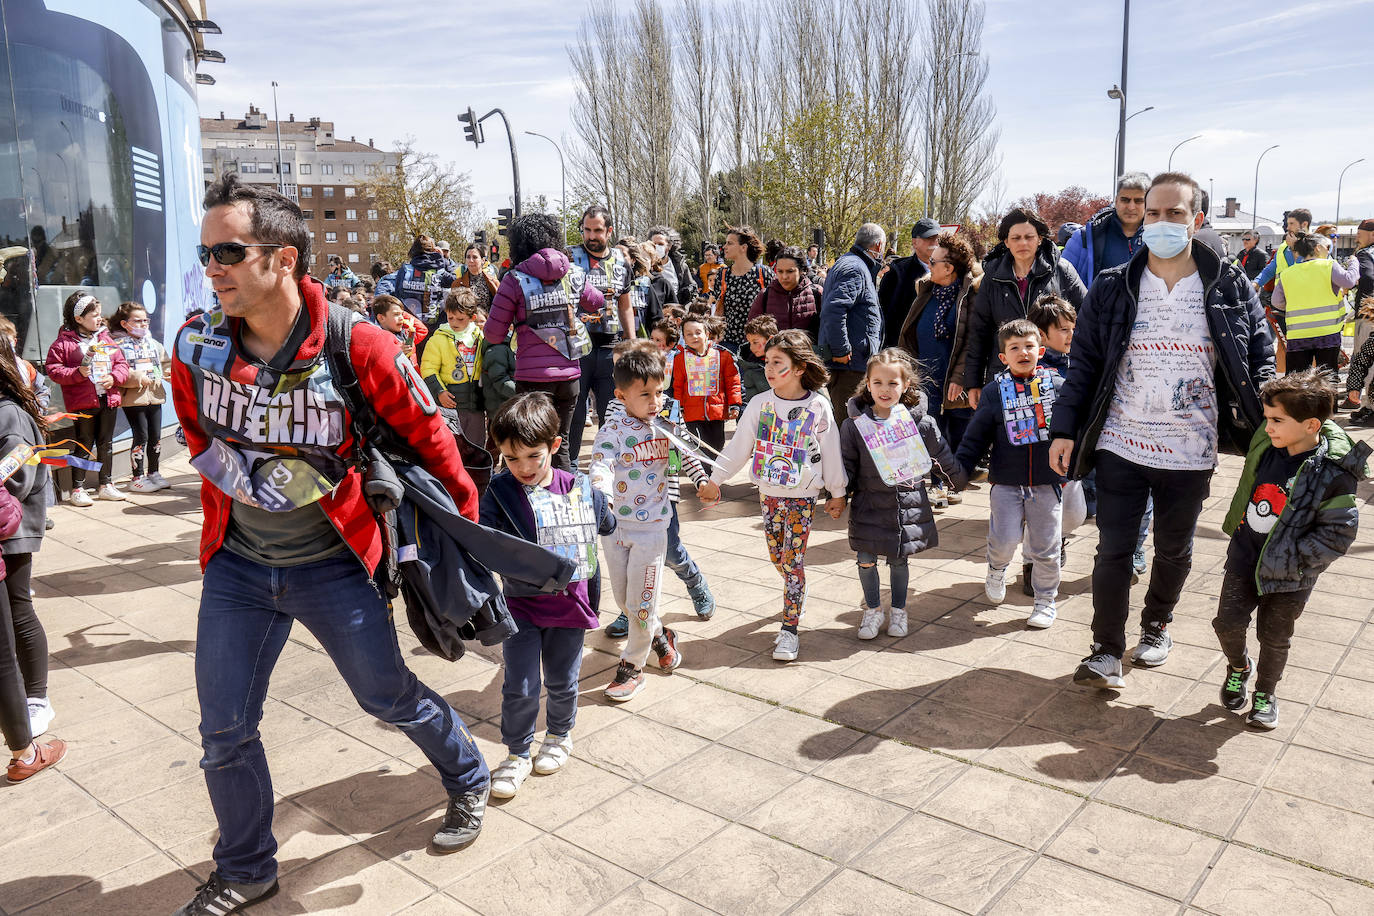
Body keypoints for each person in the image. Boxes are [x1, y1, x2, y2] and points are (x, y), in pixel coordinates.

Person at [170, 173, 488, 916]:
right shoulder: (197, 342)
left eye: (228, 250)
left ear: (283, 259)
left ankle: (467, 774)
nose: (212, 265)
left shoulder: (359, 343)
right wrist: (249, 481)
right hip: (238, 569)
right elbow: (194, 431)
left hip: (335, 567)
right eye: (204, 250)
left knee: (388, 697)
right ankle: (246, 867)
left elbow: (434, 445)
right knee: (223, 728)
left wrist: (462, 544)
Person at [1049, 171, 1275, 690]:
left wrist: (1271, 421)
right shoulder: (1111, 286)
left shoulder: (1229, 285)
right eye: (1153, 212)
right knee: (1113, 549)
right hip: (1120, 443)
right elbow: (1083, 365)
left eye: (1175, 214)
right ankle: (1105, 649)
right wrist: (1065, 430)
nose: (1161, 221)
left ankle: (1156, 626)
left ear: (1196, 221)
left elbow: (1259, 355)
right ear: (1140, 216)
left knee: (1175, 550)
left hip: (1191, 449)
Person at [1213, 369, 1368, 729]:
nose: (1267, 427)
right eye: (1267, 418)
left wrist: (1296, 561)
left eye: (1277, 420)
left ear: (1311, 424)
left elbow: (1338, 534)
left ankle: (1265, 693)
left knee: (1274, 637)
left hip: (1290, 574)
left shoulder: (1333, 473)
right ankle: (1239, 666)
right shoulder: (1268, 446)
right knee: (1227, 623)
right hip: (1244, 558)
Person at [479, 393, 616, 796]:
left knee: (562, 680)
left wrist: (601, 496)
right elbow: (485, 537)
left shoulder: (578, 487)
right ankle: (517, 752)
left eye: (533, 457)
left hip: (570, 605)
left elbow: (604, 526)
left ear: (555, 446)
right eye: (511, 458)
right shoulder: (500, 490)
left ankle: (559, 735)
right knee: (519, 685)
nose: (523, 467)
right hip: (520, 605)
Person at [699, 330, 847, 662]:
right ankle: (797, 587)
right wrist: (716, 479)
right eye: (766, 361)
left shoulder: (819, 406)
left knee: (792, 562)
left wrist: (837, 492)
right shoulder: (759, 404)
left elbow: (831, 451)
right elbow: (738, 448)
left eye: (776, 362)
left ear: (798, 367)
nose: (768, 368)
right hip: (768, 495)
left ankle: (789, 630)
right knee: (778, 558)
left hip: (803, 497)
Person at [588, 344, 697, 701]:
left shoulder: (666, 424)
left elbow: (687, 455)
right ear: (620, 395)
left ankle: (632, 668)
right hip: (615, 528)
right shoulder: (613, 428)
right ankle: (661, 636)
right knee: (625, 600)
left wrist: (704, 481)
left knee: (642, 600)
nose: (655, 401)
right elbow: (600, 462)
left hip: (652, 530)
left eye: (660, 392)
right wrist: (599, 493)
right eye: (645, 394)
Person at [841, 349, 966, 640]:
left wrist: (958, 481)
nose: (885, 390)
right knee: (865, 558)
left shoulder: (920, 424)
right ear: (868, 384)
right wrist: (836, 494)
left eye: (893, 383)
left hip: (904, 506)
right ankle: (872, 610)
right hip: (868, 505)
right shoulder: (854, 426)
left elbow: (942, 458)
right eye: (878, 383)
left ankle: (898, 610)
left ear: (906, 385)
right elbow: (845, 464)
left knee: (898, 560)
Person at [955, 319, 1066, 629]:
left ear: (1041, 351)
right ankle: (997, 567)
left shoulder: (1058, 387)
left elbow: (1074, 431)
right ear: (1003, 357)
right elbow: (975, 437)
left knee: (1046, 546)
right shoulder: (994, 392)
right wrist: (960, 470)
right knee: (1004, 539)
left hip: (1047, 483)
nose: (1023, 352)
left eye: (1029, 346)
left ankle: (1045, 600)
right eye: (1014, 348)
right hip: (1006, 480)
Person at [483, 212, 605, 472]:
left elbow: (493, 334)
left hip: (532, 380)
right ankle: (567, 501)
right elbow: (597, 301)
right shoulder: (572, 273)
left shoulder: (514, 280)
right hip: (570, 378)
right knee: (559, 446)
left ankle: (534, 504)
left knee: (532, 446)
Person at [0, 335, 60, 782]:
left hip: (12, 527)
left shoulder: (9, 412)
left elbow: (18, 468)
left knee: (20, 609)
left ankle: (36, 698)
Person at [963, 209, 1086, 404]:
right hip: (1004, 376)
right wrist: (973, 383)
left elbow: (1087, 318)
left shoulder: (1062, 270)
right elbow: (979, 332)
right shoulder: (992, 277)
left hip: (1054, 376)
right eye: (1016, 238)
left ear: (1040, 239)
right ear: (1006, 242)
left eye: (1029, 237)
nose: (1023, 243)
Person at [898, 231, 981, 451]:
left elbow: (972, 342)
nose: (929, 265)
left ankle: (953, 484)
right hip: (925, 386)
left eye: (933, 262)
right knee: (927, 443)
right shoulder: (926, 291)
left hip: (953, 388)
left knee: (954, 445)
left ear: (949, 269)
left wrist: (959, 377)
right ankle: (936, 483)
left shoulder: (970, 297)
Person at [45, 291, 130, 505]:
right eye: (94, 315)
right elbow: (54, 370)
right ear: (79, 319)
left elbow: (122, 364)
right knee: (83, 443)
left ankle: (106, 484)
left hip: (107, 399)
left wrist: (114, 377)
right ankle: (77, 488)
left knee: (105, 443)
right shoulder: (63, 343)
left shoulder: (106, 338)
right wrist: (76, 374)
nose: (99, 319)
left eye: (100, 314)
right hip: (83, 403)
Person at [569, 206, 639, 464]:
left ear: (609, 231)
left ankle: (606, 467)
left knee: (611, 414)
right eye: (586, 230)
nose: (591, 236)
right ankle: (571, 470)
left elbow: (625, 305)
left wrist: (631, 344)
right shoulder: (570, 257)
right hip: (577, 347)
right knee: (575, 414)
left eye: (597, 230)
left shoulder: (622, 261)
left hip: (610, 346)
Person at [818, 223, 886, 419]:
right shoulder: (855, 268)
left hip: (852, 362)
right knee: (850, 425)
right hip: (848, 364)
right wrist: (841, 349)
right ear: (879, 246)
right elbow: (834, 309)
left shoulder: (852, 263)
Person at [1272, 232, 1359, 374]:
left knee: (1297, 381)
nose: (1329, 250)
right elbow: (1349, 281)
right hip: (1328, 334)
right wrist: (1354, 262)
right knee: (1326, 379)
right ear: (1318, 248)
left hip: (1297, 335)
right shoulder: (1329, 266)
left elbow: (1277, 302)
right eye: (1328, 247)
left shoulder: (1287, 273)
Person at [110, 301, 172, 493]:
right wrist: (137, 378)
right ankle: (137, 476)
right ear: (124, 323)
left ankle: (154, 472)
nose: (143, 324)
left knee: (156, 436)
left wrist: (169, 374)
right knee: (141, 435)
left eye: (145, 320)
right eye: (137, 321)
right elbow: (117, 371)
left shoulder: (153, 343)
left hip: (155, 395)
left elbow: (165, 362)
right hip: (133, 398)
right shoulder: (117, 345)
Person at [421, 287, 487, 449]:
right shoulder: (438, 340)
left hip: (476, 404)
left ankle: (476, 474)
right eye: (451, 318)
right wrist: (439, 392)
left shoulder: (481, 337)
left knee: (476, 447)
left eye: (460, 319)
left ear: (472, 318)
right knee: (451, 446)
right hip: (450, 403)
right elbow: (428, 369)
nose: (454, 323)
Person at [1061, 171, 1149, 284]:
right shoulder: (1084, 238)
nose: (1131, 207)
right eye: (1125, 200)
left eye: (1138, 201)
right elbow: (1062, 282)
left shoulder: (1159, 239)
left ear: (1148, 203)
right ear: (1116, 201)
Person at [672, 314, 741, 453]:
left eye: (698, 332)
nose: (694, 337)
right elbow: (678, 385)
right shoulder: (680, 359)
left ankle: (713, 473)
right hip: (692, 414)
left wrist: (735, 404)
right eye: (689, 334)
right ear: (683, 337)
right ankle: (706, 474)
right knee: (700, 448)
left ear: (707, 334)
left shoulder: (723, 355)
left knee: (717, 446)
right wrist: (677, 409)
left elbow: (732, 381)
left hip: (717, 412)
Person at [878, 217, 942, 347]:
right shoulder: (897, 273)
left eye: (937, 238)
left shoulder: (951, 271)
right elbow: (885, 315)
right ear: (914, 243)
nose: (934, 242)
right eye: (929, 237)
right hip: (905, 349)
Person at [709, 226, 774, 352]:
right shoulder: (722, 274)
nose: (724, 247)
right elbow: (718, 309)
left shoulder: (763, 273)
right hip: (728, 343)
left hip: (758, 345)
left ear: (743, 247)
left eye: (730, 243)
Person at [375, 235, 458, 326]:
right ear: (433, 251)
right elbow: (456, 282)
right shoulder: (440, 272)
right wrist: (442, 259)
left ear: (413, 251)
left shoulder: (405, 271)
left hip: (410, 327)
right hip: (435, 328)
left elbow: (383, 286)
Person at [748, 245, 819, 334]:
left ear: (801, 270)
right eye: (780, 271)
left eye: (790, 271)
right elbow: (752, 333)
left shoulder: (816, 293)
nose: (784, 277)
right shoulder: (765, 295)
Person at [1344, 219, 1374, 420]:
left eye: (1360, 234)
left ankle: (1370, 407)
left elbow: (1369, 277)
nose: (1356, 237)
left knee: (1368, 362)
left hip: (1369, 313)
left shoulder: (1364, 254)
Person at [1254, 207, 1313, 295]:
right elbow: (1271, 269)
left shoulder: (1316, 247)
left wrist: (1294, 248)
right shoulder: (1284, 247)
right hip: (1282, 299)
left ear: (1304, 224)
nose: (1288, 227)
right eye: (1287, 223)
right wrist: (1256, 283)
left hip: (1304, 297)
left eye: (1292, 223)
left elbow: (1306, 271)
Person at [371, 294, 428, 366]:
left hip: (413, 375)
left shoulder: (407, 334)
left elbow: (422, 330)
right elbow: (377, 363)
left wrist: (400, 312)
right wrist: (396, 353)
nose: (401, 318)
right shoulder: (377, 340)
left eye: (402, 314)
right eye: (396, 314)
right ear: (381, 318)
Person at [738, 314, 775, 405]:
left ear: (770, 339)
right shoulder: (749, 364)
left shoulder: (785, 361)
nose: (751, 348)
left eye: (755, 342)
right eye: (750, 343)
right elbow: (747, 394)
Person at [455, 243, 500, 313]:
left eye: (475, 257)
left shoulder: (493, 282)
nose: (471, 260)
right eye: (468, 257)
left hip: (487, 322)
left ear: (483, 260)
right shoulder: (457, 284)